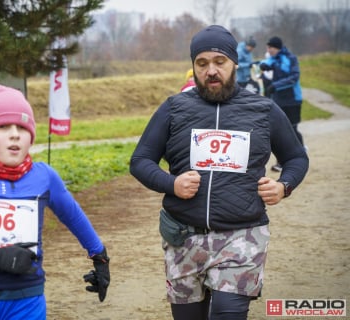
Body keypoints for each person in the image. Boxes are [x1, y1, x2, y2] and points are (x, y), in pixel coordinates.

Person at [129, 25, 308, 320]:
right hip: (183, 237)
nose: (211, 70)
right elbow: (141, 160)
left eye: (219, 62)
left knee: (227, 313)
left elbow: (296, 158)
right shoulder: (175, 108)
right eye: (202, 63)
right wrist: (172, 184)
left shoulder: (263, 109)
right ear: (193, 67)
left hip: (242, 236)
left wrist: (283, 186)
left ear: (234, 63)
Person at [0, 85, 110, 319]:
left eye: (22, 128)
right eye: (3, 127)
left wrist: (100, 257)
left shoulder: (44, 176)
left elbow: (74, 217)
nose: (15, 134)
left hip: (27, 299)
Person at [260, 36, 304, 172]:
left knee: (293, 129)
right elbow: (266, 62)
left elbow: (294, 77)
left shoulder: (290, 58)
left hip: (292, 99)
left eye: (270, 47)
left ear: (277, 48)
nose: (268, 50)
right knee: (280, 131)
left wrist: (275, 85)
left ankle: (301, 158)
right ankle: (281, 162)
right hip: (279, 100)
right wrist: (261, 64)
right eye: (267, 48)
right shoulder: (274, 59)